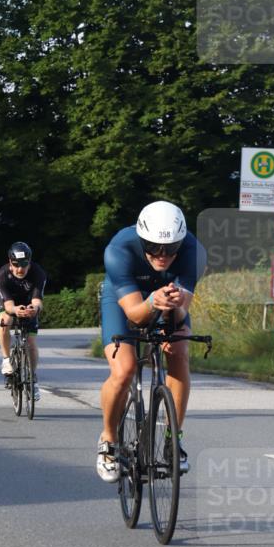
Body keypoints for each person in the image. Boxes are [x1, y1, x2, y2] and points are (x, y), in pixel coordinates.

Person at [97, 201, 206, 483]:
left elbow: (181, 315)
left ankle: (173, 438)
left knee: (179, 350)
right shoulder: (119, 249)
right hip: (125, 300)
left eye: (170, 248)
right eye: (153, 247)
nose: (162, 255)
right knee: (124, 370)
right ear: (142, 238)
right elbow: (135, 314)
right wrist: (152, 301)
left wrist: (174, 308)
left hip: (166, 299)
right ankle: (109, 440)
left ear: (181, 242)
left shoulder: (194, 253)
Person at [0, 242, 46, 402]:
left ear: (30, 262)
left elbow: (38, 301)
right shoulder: (1, 275)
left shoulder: (38, 273)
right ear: (10, 262)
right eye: (16, 265)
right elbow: (9, 306)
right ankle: (6, 360)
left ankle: (32, 378)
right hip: (8, 302)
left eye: (24, 265)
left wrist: (34, 309)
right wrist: (16, 310)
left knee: (31, 342)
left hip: (28, 302)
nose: (20, 269)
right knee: (6, 320)